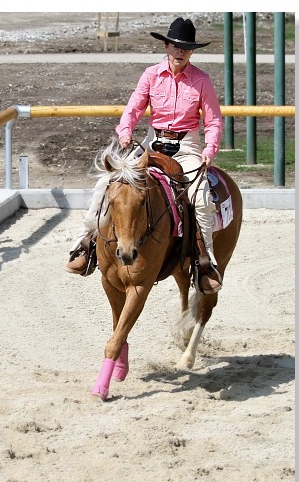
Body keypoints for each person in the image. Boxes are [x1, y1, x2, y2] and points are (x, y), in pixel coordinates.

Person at [65, 17, 224, 294]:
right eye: (175, 46)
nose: (180, 51)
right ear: (166, 46)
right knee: (108, 183)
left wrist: (209, 150)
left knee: (200, 195)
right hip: (152, 142)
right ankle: (85, 245)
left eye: (186, 47)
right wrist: (125, 130)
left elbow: (213, 121)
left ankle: (205, 262)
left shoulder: (202, 80)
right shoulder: (151, 75)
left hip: (187, 146)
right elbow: (133, 108)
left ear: (192, 51)